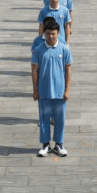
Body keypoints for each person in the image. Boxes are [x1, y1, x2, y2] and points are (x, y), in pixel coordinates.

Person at [32, 18, 72, 158]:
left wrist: (67, 90)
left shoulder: (64, 49)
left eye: (53, 33)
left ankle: (59, 144)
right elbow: (34, 70)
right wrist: (35, 90)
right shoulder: (38, 50)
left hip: (60, 92)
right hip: (44, 91)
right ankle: (45, 144)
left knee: (60, 119)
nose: (51, 36)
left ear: (58, 33)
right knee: (44, 118)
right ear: (44, 33)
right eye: (48, 33)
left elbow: (68, 70)